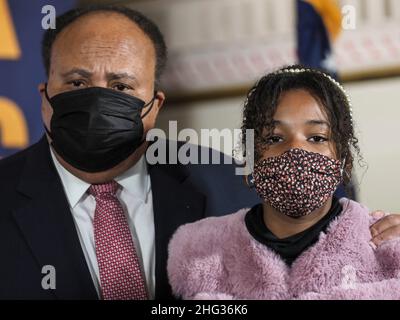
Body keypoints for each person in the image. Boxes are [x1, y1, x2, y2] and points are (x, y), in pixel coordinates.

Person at [0, 5, 398, 300]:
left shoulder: (236, 182)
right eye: (76, 82)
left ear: (154, 107)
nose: (98, 99)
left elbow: (329, 260)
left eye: (121, 87)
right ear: (44, 96)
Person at [167, 66, 400, 299]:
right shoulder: (196, 252)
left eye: (317, 138)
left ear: (344, 161)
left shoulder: (388, 244)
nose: (295, 150)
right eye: (275, 138)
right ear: (251, 161)